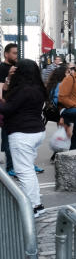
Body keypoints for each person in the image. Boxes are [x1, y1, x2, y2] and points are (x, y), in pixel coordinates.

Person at [0, 60, 47, 217]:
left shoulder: (23, 89)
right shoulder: (38, 88)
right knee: (28, 170)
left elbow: (8, 108)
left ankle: (32, 207)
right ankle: (37, 204)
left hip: (22, 133)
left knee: (24, 171)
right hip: (36, 132)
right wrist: (8, 79)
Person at [1, 43, 21, 173]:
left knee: (21, 138)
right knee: (8, 137)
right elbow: (2, 90)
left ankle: (22, 165)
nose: (16, 55)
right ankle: (10, 166)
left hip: (18, 106)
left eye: (17, 53)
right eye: (14, 53)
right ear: (6, 54)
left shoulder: (18, 67)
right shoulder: (2, 68)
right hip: (7, 107)